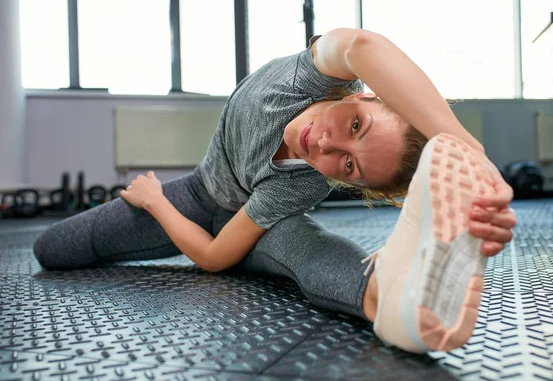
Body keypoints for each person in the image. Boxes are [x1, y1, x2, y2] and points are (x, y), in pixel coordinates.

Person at [34, 28, 516, 353]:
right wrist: (465, 147)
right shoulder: (302, 79)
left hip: (246, 227)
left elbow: (217, 255)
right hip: (198, 196)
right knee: (53, 248)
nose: (327, 144)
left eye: (348, 166)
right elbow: (362, 44)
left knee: (304, 249)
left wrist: (155, 201)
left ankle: (385, 296)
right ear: (359, 94)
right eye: (355, 124)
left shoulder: (303, 183)